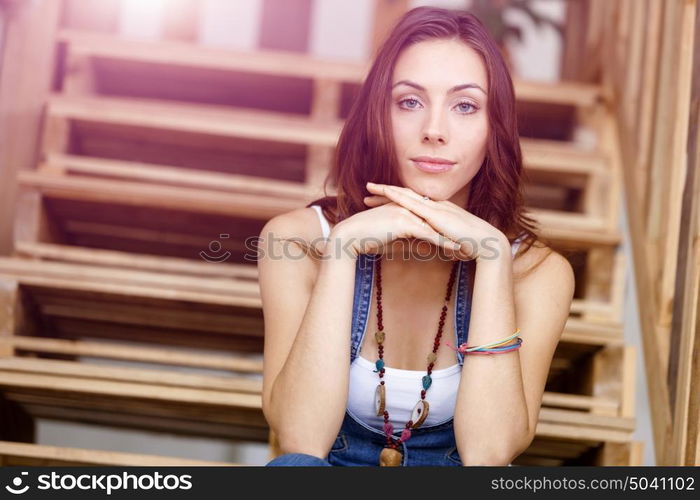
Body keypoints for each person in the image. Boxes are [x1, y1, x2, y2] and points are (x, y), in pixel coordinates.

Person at [257, 6, 574, 467]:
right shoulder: (295, 241)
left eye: (465, 106)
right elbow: (300, 440)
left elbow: (489, 455)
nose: (434, 131)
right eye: (410, 101)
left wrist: (492, 259)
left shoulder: (539, 273)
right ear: (377, 116)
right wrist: (343, 251)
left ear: (495, 128)